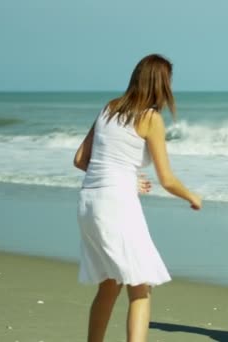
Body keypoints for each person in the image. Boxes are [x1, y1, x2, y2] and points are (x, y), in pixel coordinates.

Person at [73, 54, 202, 342]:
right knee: (140, 288)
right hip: (116, 206)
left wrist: (127, 179)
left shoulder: (109, 108)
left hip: (89, 204)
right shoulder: (150, 118)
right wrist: (192, 196)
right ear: (161, 84)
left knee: (109, 285)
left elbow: (81, 159)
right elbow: (167, 180)